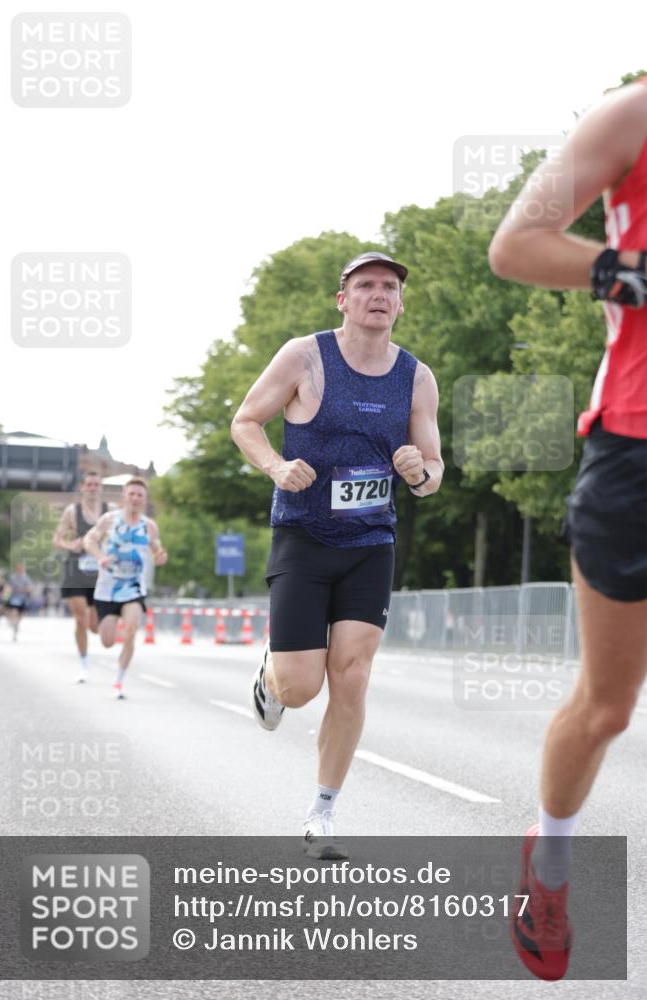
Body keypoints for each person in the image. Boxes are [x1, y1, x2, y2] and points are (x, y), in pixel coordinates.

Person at [488, 76, 647, 981]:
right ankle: (548, 861)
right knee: (607, 707)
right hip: (633, 452)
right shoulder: (632, 114)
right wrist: (626, 274)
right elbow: (516, 245)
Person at [231, 251, 443, 859]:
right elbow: (246, 421)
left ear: (400, 304)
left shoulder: (416, 377)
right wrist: (275, 465)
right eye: (366, 285)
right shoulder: (305, 356)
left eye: (390, 287)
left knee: (351, 676)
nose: (379, 294)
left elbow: (433, 469)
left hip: (371, 542)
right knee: (302, 687)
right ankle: (273, 680)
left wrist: (419, 471)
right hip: (302, 536)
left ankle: (323, 811)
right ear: (342, 299)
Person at [83, 478, 168, 700]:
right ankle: (102, 620)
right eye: (132, 494)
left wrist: (160, 556)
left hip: (134, 589)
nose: (135, 498)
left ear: (145, 499)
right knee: (107, 641)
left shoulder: (149, 526)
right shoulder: (109, 520)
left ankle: (119, 682)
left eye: (140, 495)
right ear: (124, 497)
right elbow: (88, 540)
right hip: (107, 590)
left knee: (131, 630)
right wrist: (100, 556)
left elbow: (157, 549)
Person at [52, 470, 108, 682]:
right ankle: (84, 664)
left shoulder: (108, 512)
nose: (93, 488)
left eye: (97, 484)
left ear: (101, 488)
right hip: (75, 570)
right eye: (89, 484)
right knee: (80, 619)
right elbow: (57, 539)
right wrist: (70, 544)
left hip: (99, 572)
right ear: (83, 488)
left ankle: (99, 624)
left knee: (94, 626)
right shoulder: (72, 512)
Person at [5, 563, 34, 640]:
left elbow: (30, 588)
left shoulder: (26, 578)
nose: (19, 570)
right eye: (18, 569)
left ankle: (16, 624)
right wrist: (7, 592)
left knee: (21, 614)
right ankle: (14, 624)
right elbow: (8, 587)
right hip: (13, 598)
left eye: (21, 569)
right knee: (14, 612)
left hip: (23, 599)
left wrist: (21, 589)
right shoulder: (12, 578)